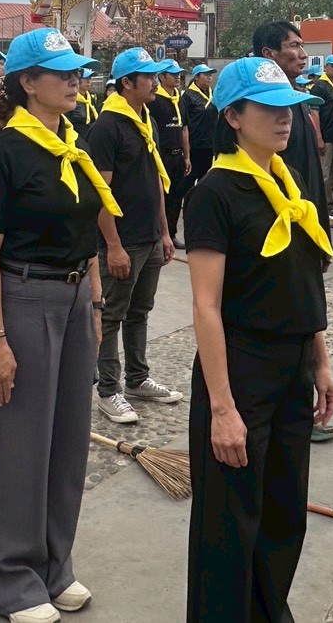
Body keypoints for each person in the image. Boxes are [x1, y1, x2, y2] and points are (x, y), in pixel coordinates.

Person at [183, 57, 333, 622]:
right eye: (269, 108)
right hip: (241, 368)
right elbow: (206, 306)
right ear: (233, 116)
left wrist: (320, 362)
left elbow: (303, 281)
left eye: (290, 108)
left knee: (283, 514)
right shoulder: (215, 193)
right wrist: (222, 408)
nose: (284, 119)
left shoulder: (287, 182)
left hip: (292, 366)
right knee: (228, 522)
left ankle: (269, 613)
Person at [0, 28, 112, 623]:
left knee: (68, 441)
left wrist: (96, 305)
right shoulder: (4, 152)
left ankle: (56, 565)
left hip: (75, 298)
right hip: (24, 298)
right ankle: (13, 580)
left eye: (79, 72)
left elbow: (87, 232)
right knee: (20, 443)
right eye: (63, 73)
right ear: (28, 83)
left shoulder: (73, 145)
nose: (76, 82)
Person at [86, 47, 182, 425]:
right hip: (123, 241)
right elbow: (100, 193)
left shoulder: (146, 121)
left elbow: (155, 179)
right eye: (149, 77)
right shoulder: (107, 127)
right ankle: (108, 390)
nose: (156, 82)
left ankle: (137, 379)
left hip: (150, 237)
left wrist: (165, 232)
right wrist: (113, 246)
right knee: (112, 315)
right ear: (127, 82)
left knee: (140, 312)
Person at [252, 21, 329, 234]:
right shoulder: (261, 106)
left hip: (307, 216)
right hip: (282, 224)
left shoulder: (298, 99)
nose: (304, 54)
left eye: (302, 46)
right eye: (294, 46)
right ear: (269, 53)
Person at [148, 61, 192, 244]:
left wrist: (187, 156)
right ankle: (158, 234)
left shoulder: (180, 100)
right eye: (173, 74)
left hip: (177, 156)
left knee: (176, 197)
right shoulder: (154, 100)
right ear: (161, 76)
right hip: (162, 156)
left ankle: (172, 234)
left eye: (179, 74)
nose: (177, 77)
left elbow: (184, 128)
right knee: (161, 197)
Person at [310, 54, 333, 212]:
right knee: (324, 172)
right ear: (326, 67)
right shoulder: (320, 86)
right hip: (326, 136)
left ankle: (332, 201)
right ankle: (323, 204)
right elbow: (314, 112)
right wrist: (318, 137)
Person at [183, 64, 217, 193]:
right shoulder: (188, 96)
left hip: (208, 146)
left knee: (204, 182)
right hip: (194, 146)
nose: (210, 77)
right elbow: (184, 124)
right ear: (197, 77)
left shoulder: (212, 93)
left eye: (211, 75)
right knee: (188, 182)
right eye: (206, 74)